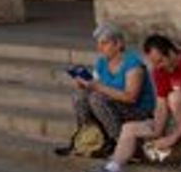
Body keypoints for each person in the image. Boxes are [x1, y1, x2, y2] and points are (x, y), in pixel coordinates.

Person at [82, 34, 181, 172]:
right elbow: (161, 105)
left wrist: (172, 138)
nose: (157, 66)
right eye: (153, 62)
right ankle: (113, 169)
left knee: (175, 98)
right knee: (129, 128)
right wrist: (157, 132)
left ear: (172, 52)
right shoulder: (159, 69)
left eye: (160, 61)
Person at [61, 23, 155, 157]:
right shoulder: (102, 62)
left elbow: (131, 97)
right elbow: (96, 84)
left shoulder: (133, 64)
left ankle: (120, 144)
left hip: (138, 111)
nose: (100, 48)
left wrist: (98, 87)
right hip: (111, 105)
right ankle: (86, 139)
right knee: (80, 96)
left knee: (97, 99)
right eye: (98, 43)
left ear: (118, 44)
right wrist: (84, 84)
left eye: (104, 43)